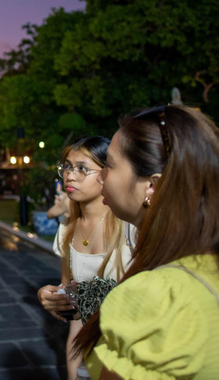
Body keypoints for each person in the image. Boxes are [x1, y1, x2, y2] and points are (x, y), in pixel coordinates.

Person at [75, 105, 219, 379]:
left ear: (153, 187)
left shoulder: (156, 296)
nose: (100, 176)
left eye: (109, 164)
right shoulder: (214, 266)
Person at [37, 137, 132, 380]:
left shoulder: (130, 228)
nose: (69, 175)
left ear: (106, 173)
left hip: (130, 362)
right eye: (67, 166)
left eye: (82, 168)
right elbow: (76, 318)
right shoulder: (68, 228)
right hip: (90, 361)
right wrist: (51, 296)